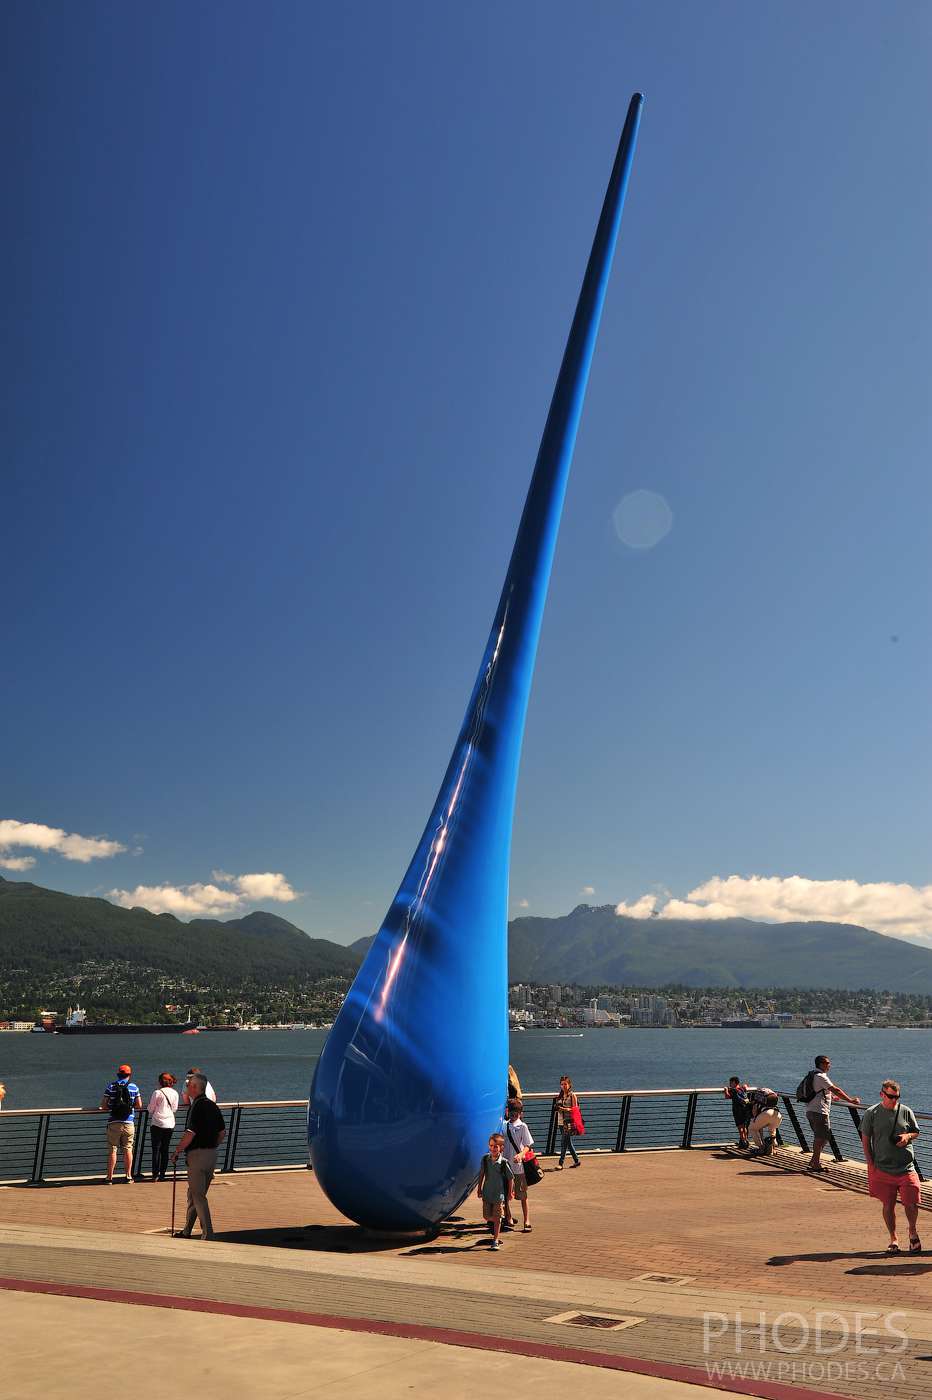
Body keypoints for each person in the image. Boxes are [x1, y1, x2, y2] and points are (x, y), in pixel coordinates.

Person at [861, 1079, 922, 1255]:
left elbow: (916, 1132)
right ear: (882, 1094)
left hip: (906, 1167)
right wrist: (870, 1164)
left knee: (911, 1203)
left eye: (897, 1097)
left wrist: (908, 1136)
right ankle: (893, 1239)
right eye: (890, 1096)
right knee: (888, 1205)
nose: (894, 1100)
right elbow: (866, 1139)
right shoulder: (871, 1113)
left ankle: (912, 1232)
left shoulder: (906, 1111)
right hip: (882, 1168)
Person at [171, 1072, 225, 1239]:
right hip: (212, 1155)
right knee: (194, 1194)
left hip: (197, 1155)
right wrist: (212, 1145)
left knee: (198, 1196)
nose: (187, 1088)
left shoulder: (196, 1107)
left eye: (189, 1085)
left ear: (195, 1088)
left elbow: (190, 1133)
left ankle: (208, 1232)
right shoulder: (213, 1106)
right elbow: (222, 1132)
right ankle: (187, 1230)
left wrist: (177, 1150)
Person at [804, 1054, 861, 1173]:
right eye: (827, 1063)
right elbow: (836, 1089)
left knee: (823, 1137)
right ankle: (815, 1163)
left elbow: (821, 1090)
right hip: (819, 1111)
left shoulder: (813, 1074)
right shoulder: (821, 1076)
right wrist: (850, 1100)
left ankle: (814, 1160)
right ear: (821, 1064)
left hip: (811, 1110)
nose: (829, 1065)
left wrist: (831, 1097)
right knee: (821, 1138)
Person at [100, 1063, 143, 1184]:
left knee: (113, 1149)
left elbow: (103, 1105)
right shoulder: (134, 1087)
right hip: (129, 1122)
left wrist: (111, 1106)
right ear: (129, 1075)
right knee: (128, 1148)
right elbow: (139, 1105)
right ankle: (128, 1176)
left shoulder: (111, 1086)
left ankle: (109, 1178)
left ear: (118, 1074)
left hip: (114, 1122)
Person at [477, 1132, 514, 1251]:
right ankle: (500, 1219)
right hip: (487, 1193)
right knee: (486, 1216)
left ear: (501, 1148)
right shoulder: (485, 1159)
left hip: (499, 1194)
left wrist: (510, 1193)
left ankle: (495, 1240)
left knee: (496, 1218)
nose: (493, 1148)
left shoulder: (503, 1162)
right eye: (491, 1146)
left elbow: (510, 1178)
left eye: (496, 1146)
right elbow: (481, 1174)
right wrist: (479, 1188)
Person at [502, 1098, 534, 1232]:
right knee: (505, 1193)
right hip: (506, 1164)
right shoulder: (504, 1125)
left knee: (522, 1194)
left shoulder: (523, 1126)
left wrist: (520, 1155)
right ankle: (508, 1217)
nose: (514, 1114)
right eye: (512, 1111)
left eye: (517, 1112)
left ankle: (527, 1219)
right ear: (507, 1111)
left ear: (521, 1113)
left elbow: (527, 1146)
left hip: (519, 1166)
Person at [147, 1071, 179, 1181]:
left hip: (157, 1123)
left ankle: (154, 1175)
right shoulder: (175, 1093)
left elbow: (150, 1109)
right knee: (165, 1149)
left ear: (160, 1082)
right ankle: (162, 1174)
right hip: (169, 1123)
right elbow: (174, 1109)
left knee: (156, 1149)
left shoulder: (157, 1093)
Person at [554, 1074, 581, 1169]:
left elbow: (575, 1109)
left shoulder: (572, 1095)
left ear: (569, 1085)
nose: (563, 1086)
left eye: (565, 1084)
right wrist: (557, 1108)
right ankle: (577, 1160)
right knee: (568, 1142)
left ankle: (560, 1163)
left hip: (568, 1122)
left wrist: (563, 1109)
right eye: (562, 1084)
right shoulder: (560, 1095)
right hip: (560, 1121)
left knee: (564, 1142)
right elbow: (557, 1108)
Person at [748, 1089, 782, 1155]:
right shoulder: (770, 1101)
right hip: (778, 1114)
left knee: (752, 1128)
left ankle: (761, 1148)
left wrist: (754, 1118)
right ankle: (773, 1149)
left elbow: (755, 1114)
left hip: (766, 1113)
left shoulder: (756, 1102)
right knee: (772, 1129)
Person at [724, 1077, 752, 1148]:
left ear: (734, 1082)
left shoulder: (733, 1090)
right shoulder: (742, 1088)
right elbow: (745, 1087)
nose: (729, 1084)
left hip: (737, 1110)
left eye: (730, 1082)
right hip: (745, 1109)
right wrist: (745, 1086)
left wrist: (726, 1090)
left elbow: (727, 1096)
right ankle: (746, 1140)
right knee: (744, 1126)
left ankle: (743, 1142)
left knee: (740, 1127)